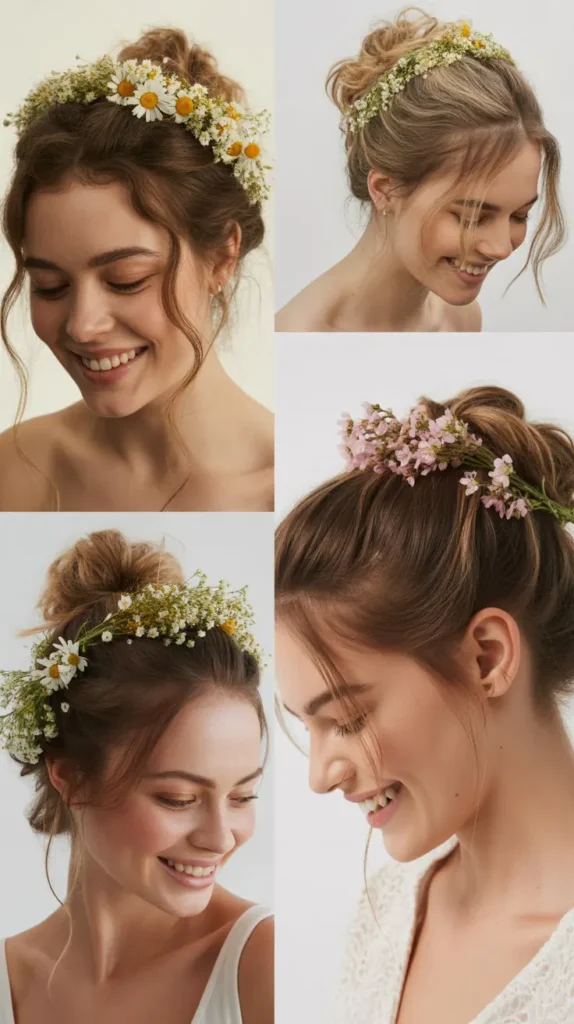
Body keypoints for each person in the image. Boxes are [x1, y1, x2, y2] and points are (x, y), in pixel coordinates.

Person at [275, 386, 574, 1022]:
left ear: (486, 657)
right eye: (309, 726)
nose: (320, 776)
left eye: (348, 719)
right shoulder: (385, 914)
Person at [0, 529, 273, 1024]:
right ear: (71, 777)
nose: (220, 839)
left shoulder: (263, 966)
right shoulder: (9, 979)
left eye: (243, 795)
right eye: (178, 798)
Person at [0, 28, 273, 512]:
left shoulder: (284, 492)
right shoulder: (16, 470)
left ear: (222, 257)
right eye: (50, 285)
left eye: (127, 280)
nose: (83, 325)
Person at [277, 11, 564, 333]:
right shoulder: (299, 331)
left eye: (519, 216)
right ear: (385, 189)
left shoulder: (463, 320)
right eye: (471, 217)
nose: (501, 248)